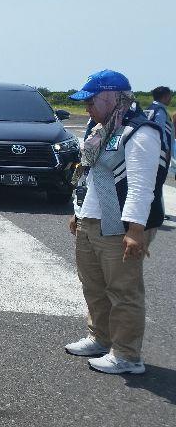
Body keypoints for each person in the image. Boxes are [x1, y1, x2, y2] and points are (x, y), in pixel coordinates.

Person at [64, 70, 168, 375]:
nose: (87, 108)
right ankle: (101, 337)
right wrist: (78, 212)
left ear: (111, 99)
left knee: (123, 291)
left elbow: (142, 186)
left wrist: (135, 231)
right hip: (92, 218)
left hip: (121, 225)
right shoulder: (99, 129)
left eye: (91, 102)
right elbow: (89, 175)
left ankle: (127, 355)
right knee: (93, 285)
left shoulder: (140, 132)